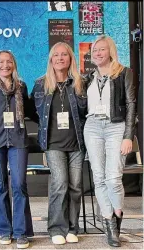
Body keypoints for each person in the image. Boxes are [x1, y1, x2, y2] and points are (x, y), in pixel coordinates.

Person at [0, 50, 37, 249]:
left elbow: (31, 112)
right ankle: (4, 230)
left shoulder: (22, 86)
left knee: (19, 184)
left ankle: (21, 232)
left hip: (18, 140)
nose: (5, 65)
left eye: (9, 61)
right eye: (1, 62)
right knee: (0, 185)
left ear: (14, 64)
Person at [83, 35, 137, 247]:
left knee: (113, 178)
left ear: (111, 51)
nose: (97, 53)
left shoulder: (124, 73)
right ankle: (109, 224)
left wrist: (128, 136)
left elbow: (131, 103)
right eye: (95, 50)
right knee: (99, 178)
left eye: (102, 50)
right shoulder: (88, 77)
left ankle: (116, 214)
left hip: (116, 126)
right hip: (93, 127)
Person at [31, 42, 87, 245]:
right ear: (51, 60)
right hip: (53, 143)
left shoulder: (81, 82)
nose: (60, 58)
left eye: (64, 54)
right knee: (60, 183)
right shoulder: (40, 84)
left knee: (76, 186)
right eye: (56, 55)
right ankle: (56, 228)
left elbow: (87, 112)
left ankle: (72, 228)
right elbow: (32, 111)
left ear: (71, 58)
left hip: (77, 144)